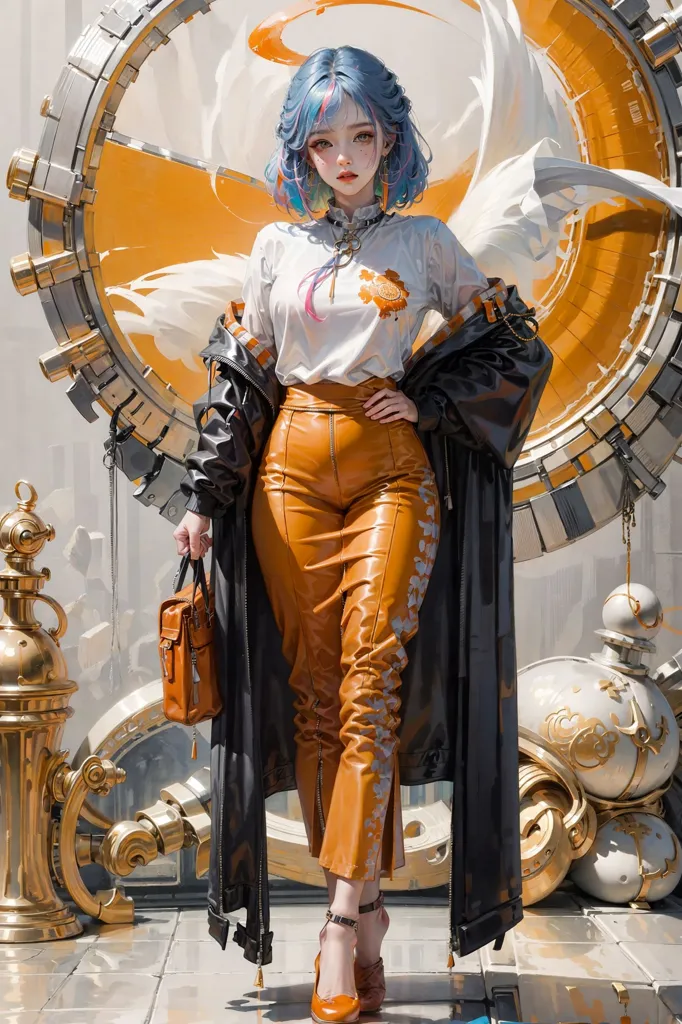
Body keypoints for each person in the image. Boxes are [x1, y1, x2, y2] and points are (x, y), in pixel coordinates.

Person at [173, 45, 552, 1024]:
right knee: (309, 695)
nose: (344, 156)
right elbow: (241, 385)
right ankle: (373, 899)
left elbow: (514, 345)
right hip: (289, 468)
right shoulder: (274, 250)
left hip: (391, 473)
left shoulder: (426, 244)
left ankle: (338, 919)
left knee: (369, 677)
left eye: (362, 135)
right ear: (301, 149)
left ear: (391, 138)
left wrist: (425, 403)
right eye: (324, 139)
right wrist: (205, 502)